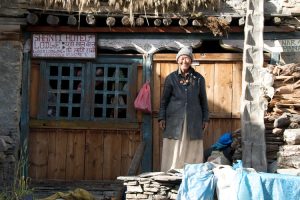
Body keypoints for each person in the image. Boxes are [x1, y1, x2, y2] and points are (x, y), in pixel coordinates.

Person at [158, 46, 209, 172]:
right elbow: (164, 100)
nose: (184, 61)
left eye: (187, 58)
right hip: (174, 119)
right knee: (174, 147)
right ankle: (170, 172)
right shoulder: (171, 78)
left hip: (194, 118)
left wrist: (205, 119)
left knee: (192, 147)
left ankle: (192, 173)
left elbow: (203, 101)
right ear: (178, 60)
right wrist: (161, 117)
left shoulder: (198, 79)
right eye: (182, 58)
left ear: (191, 61)